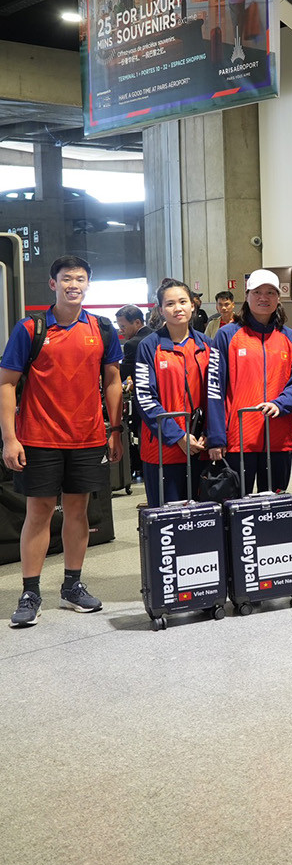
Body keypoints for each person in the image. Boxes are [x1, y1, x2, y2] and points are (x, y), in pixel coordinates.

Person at [0, 255, 123, 626]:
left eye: (80, 278)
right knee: (37, 513)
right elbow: (6, 383)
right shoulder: (31, 328)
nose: (74, 284)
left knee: (77, 511)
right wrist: (9, 438)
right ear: (52, 284)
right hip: (38, 438)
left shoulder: (102, 328)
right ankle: (30, 592)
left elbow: (113, 380)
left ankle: (72, 587)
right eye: (66, 278)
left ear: (88, 284)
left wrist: (114, 430)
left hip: (87, 438)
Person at [206, 270, 292, 493]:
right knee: (238, 508)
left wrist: (281, 403)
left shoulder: (290, 337)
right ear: (247, 296)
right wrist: (216, 436)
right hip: (238, 438)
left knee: (276, 506)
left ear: (278, 298)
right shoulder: (227, 335)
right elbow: (214, 388)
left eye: (270, 292)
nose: (263, 297)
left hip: (279, 436)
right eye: (257, 292)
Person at [134, 278, 210, 508]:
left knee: (204, 523)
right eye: (170, 304)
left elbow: (216, 395)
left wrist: (210, 432)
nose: (177, 308)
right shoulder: (149, 346)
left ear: (193, 305)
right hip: (163, 451)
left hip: (200, 448)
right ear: (160, 309)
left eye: (183, 301)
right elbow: (145, 397)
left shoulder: (207, 345)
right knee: (168, 525)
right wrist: (178, 437)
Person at [116, 303, 150, 473]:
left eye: (123, 326)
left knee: (143, 439)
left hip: (144, 403)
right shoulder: (156, 336)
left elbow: (122, 373)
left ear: (137, 322)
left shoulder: (133, 344)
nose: (121, 330)